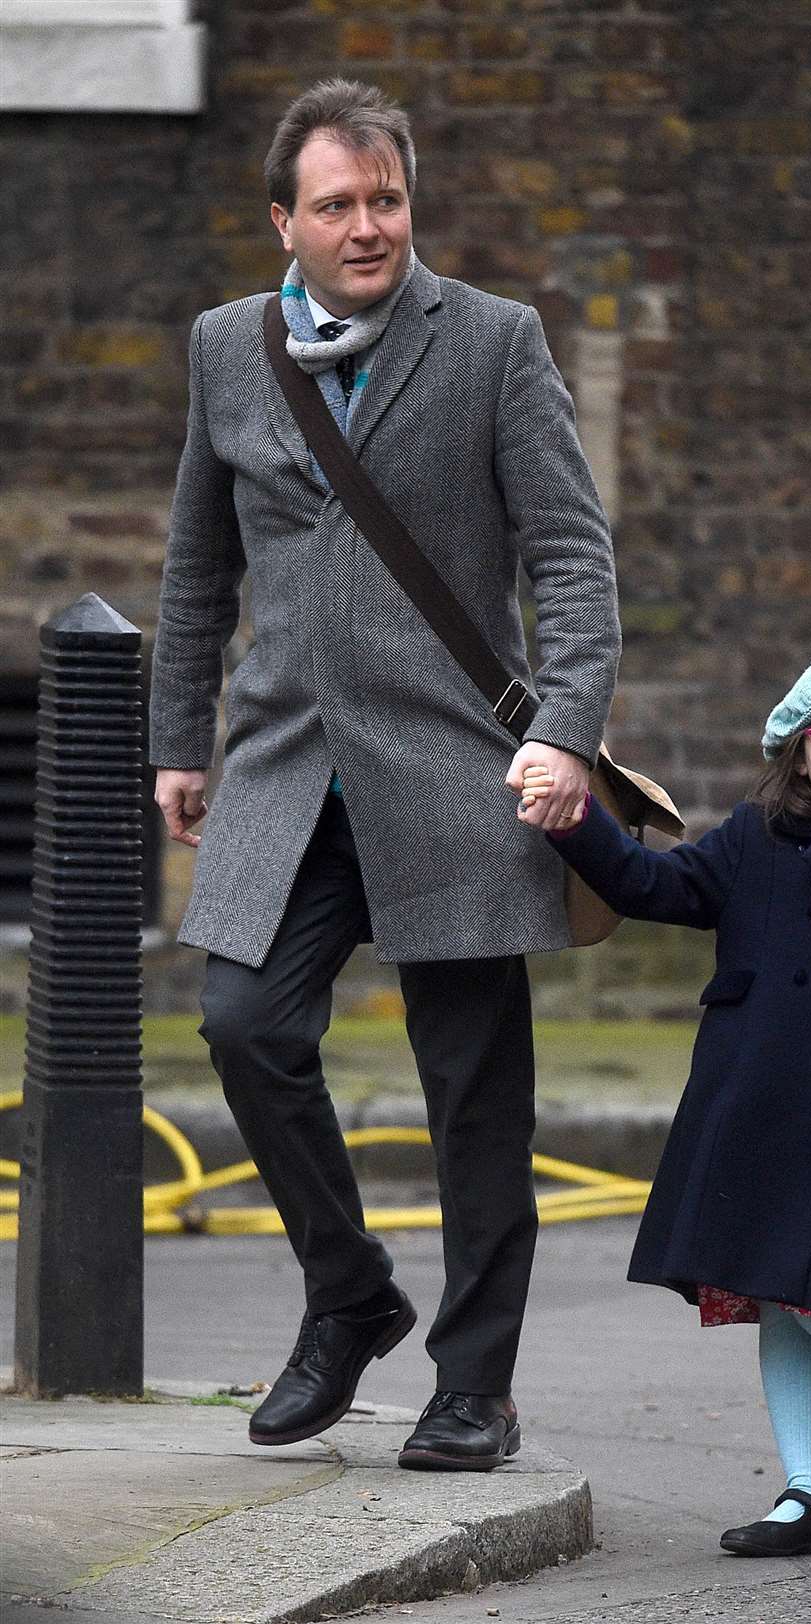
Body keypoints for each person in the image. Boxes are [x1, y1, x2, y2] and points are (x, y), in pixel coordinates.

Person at [150, 77, 620, 1471]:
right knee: (243, 1027)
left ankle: (475, 1387)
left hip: (458, 771)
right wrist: (182, 735)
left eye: (388, 199)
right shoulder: (228, 350)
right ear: (284, 220)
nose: (368, 227)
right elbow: (198, 563)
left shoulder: (490, 342)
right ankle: (351, 1296)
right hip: (289, 767)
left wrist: (566, 728)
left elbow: (572, 560)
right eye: (338, 205)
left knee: (475, 1093)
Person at [518, 652, 811, 1551]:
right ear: (798, 752)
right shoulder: (753, 842)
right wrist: (577, 818)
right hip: (753, 1097)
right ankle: (809, 1495)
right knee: (777, 1293)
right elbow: (656, 886)